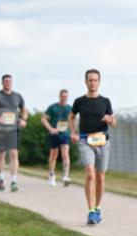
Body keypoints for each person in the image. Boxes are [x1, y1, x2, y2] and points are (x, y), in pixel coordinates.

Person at [70, 69, 115, 226]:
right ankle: (90, 212)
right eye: (90, 80)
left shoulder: (105, 101)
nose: (92, 82)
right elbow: (71, 116)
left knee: (100, 176)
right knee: (90, 173)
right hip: (85, 141)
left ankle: (97, 208)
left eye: (95, 80)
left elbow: (113, 122)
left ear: (99, 82)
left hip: (102, 140)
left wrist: (110, 119)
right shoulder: (79, 101)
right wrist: (73, 132)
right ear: (85, 81)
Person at [0, 74, 27, 192]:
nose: (8, 83)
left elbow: (24, 109)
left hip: (13, 130)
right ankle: (1, 179)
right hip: (0, 131)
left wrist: (23, 119)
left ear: (12, 83)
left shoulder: (17, 96)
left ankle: (13, 181)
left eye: (10, 81)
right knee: (1, 156)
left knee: (14, 154)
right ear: (2, 83)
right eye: (6, 81)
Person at [42, 89, 73, 187]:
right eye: (63, 96)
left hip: (65, 134)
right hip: (54, 134)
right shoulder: (53, 107)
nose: (64, 98)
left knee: (65, 155)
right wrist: (50, 128)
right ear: (59, 96)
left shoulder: (70, 108)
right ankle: (51, 175)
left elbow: (72, 121)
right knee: (54, 155)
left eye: (66, 96)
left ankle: (66, 176)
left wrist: (73, 133)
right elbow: (43, 119)